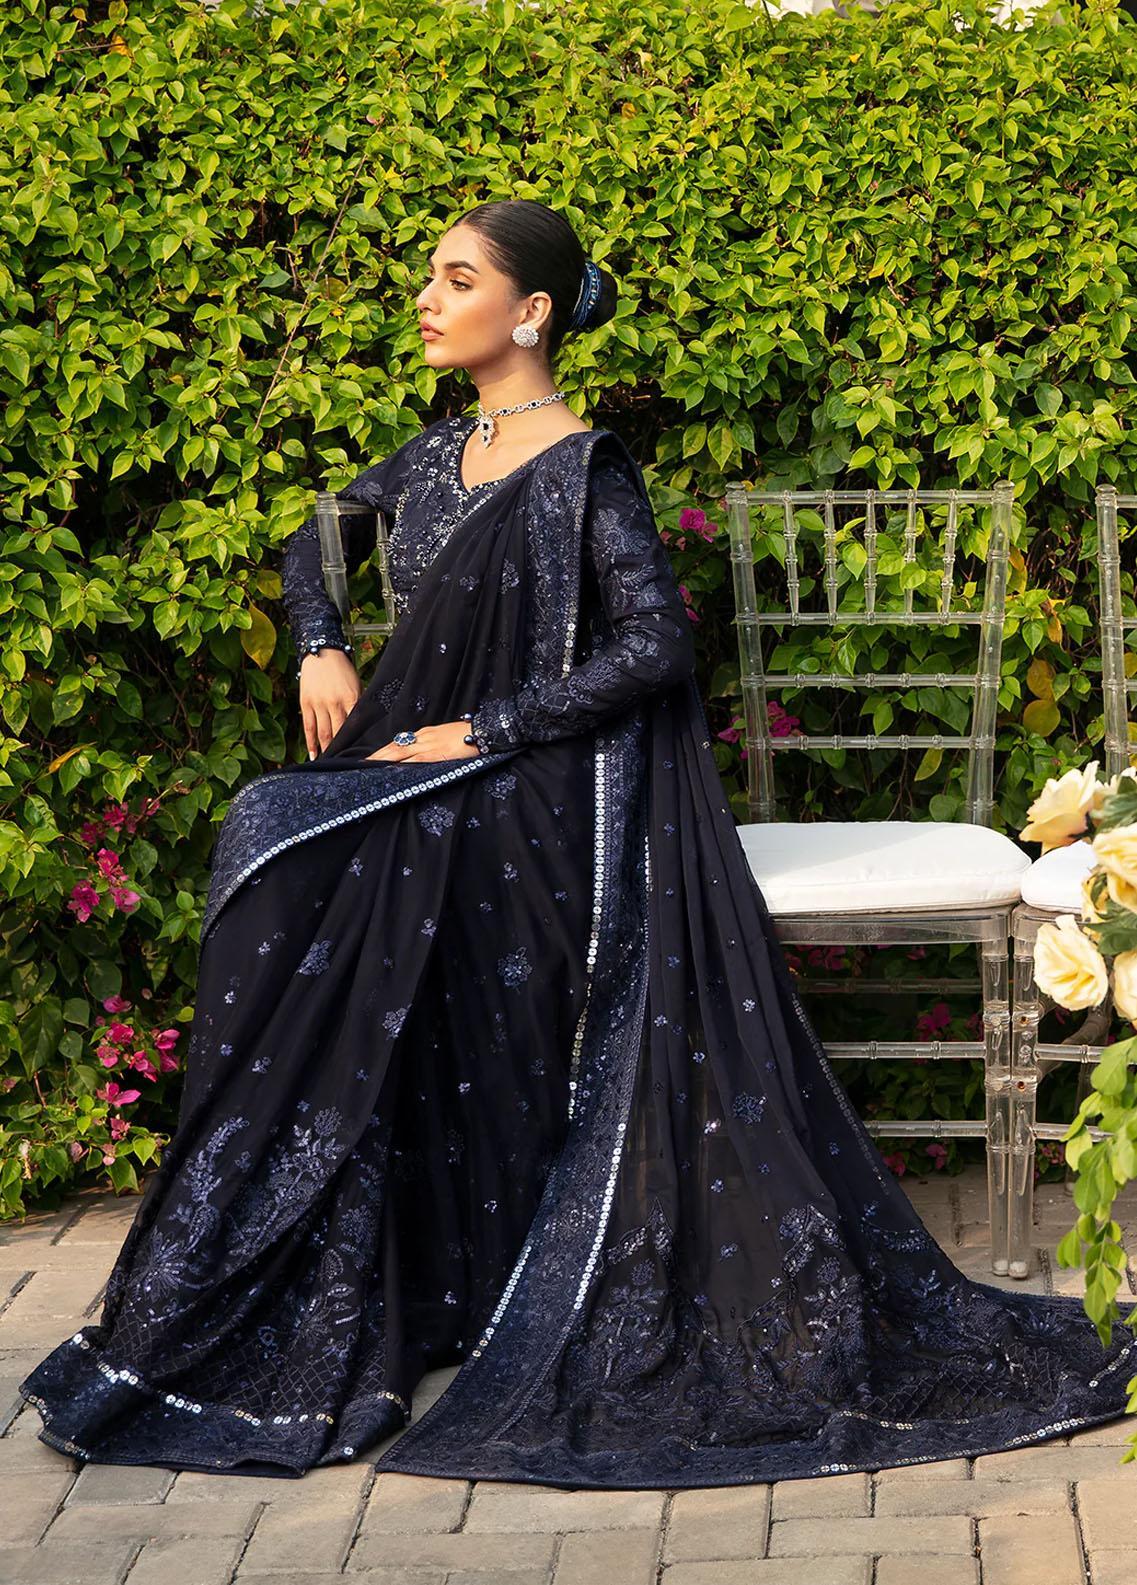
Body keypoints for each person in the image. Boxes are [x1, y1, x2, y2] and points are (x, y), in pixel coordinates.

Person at [18, 200, 1137, 1486]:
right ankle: (326, 1261)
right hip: (443, 762)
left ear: (531, 312)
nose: (427, 300)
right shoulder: (436, 454)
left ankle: (389, 1254)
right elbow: (311, 541)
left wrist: (486, 729)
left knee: (327, 844)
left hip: (547, 779)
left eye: (457, 280)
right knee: (278, 822)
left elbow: (655, 647)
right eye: (431, 278)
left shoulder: (585, 468)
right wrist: (321, 644)